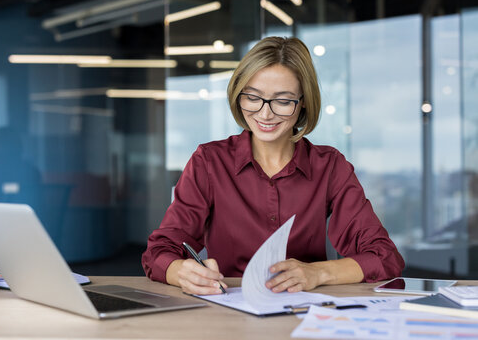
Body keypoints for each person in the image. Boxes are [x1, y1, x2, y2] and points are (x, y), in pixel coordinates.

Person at [142, 36, 405, 295]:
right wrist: (183, 273)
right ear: (238, 95)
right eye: (253, 97)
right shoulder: (209, 162)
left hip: (304, 311)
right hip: (227, 315)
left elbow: (384, 257)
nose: (265, 113)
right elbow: (159, 252)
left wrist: (319, 272)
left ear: (302, 104)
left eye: (282, 100)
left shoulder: (330, 166)